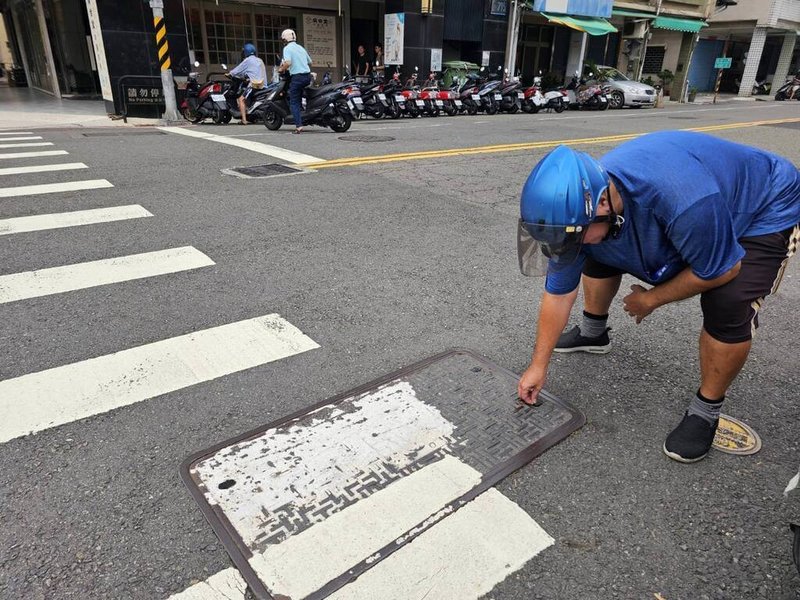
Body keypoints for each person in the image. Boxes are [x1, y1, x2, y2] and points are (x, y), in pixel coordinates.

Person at [516, 132, 800, 463]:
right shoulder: (583, 211)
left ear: (604, 203)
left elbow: (723, 269)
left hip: (764, 206)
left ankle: (706, 410)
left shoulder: (681, 199)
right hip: (690, 207)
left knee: (728, 302)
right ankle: (594, 332)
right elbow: (558, 293)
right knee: (595, 247)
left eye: (573, 235)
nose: (563, 246)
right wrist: (538, 366)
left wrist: (652, 299)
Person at [278, 29, 312, 134]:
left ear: (285, 39)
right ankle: (304, 113)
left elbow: (288, 62)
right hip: (307, 76)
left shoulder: (287, 48)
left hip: (297, 78)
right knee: (301, 95)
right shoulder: (300, 48)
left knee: (294, 102)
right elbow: (310, 62)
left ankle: (298, 126)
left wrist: (281, 69)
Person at [227, 43, 267, 125]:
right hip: (264, 85)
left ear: (245, 52)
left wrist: (229, 74)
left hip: (254, 85)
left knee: (241, 99)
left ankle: (244, 120)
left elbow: (236, 71)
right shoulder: (260, 60)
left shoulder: (247, 61)